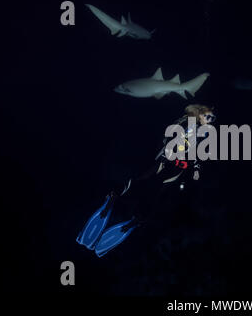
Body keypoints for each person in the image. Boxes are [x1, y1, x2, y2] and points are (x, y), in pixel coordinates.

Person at [76, 104, 216, 257]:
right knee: (140, 180)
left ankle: (134, 218)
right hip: (163, 161)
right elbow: (170, 138)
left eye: (212, 118)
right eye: (209, 116)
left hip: (176, 169)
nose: (211, 120)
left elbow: (199, 154)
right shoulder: (186, 123)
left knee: (157, 193)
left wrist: (195, 167)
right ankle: (114, 200)